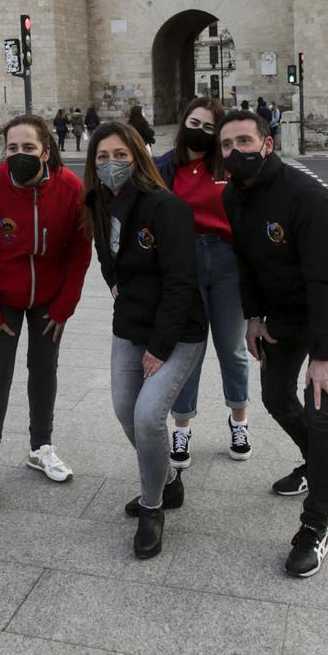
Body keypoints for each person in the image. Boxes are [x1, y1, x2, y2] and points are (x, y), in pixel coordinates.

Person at [219, 107, 328, 579]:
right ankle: (316, 464)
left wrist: (323, 356)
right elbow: (246, 262)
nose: (234, 152)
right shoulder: (234, 197)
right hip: (281, 310)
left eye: (244, 142)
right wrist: (254, 317)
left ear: (267, 144)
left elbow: (325, 279)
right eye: (226, 145)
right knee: (274, 393)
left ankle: (315, 526)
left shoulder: (308, 197)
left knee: (320, 404)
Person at [0, 112, 92, 513]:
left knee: (44, 370)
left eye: (28, 148)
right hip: (3, 302)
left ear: (45, 151)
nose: (19, 154)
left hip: (49, 300)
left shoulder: (69, 187)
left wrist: (65, 305)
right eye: (12, 148)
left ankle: (41, 447)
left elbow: (79, 250)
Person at [85, 120, 206, 560]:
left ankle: (152, 507)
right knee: (125, 409)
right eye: (102, 157)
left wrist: (159, 346)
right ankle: (169, 481)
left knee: (150, 415)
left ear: (137, 156)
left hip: (178, 332)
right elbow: (105, 253)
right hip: (129, 326)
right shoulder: (98, 203)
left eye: (120, 155)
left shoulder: (165, 207)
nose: (111, 164)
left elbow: (181, 282)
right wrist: (115, 285)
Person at [155, 98, 252, 467]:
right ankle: (182, 429)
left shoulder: (228, 167)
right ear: (183, 123)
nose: (200, 130)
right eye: (195, 122)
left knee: (232, 348)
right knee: (188, 352)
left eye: (210, 128)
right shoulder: (165, 167)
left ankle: (239, 420)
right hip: (184, 264)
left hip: (227, 261)